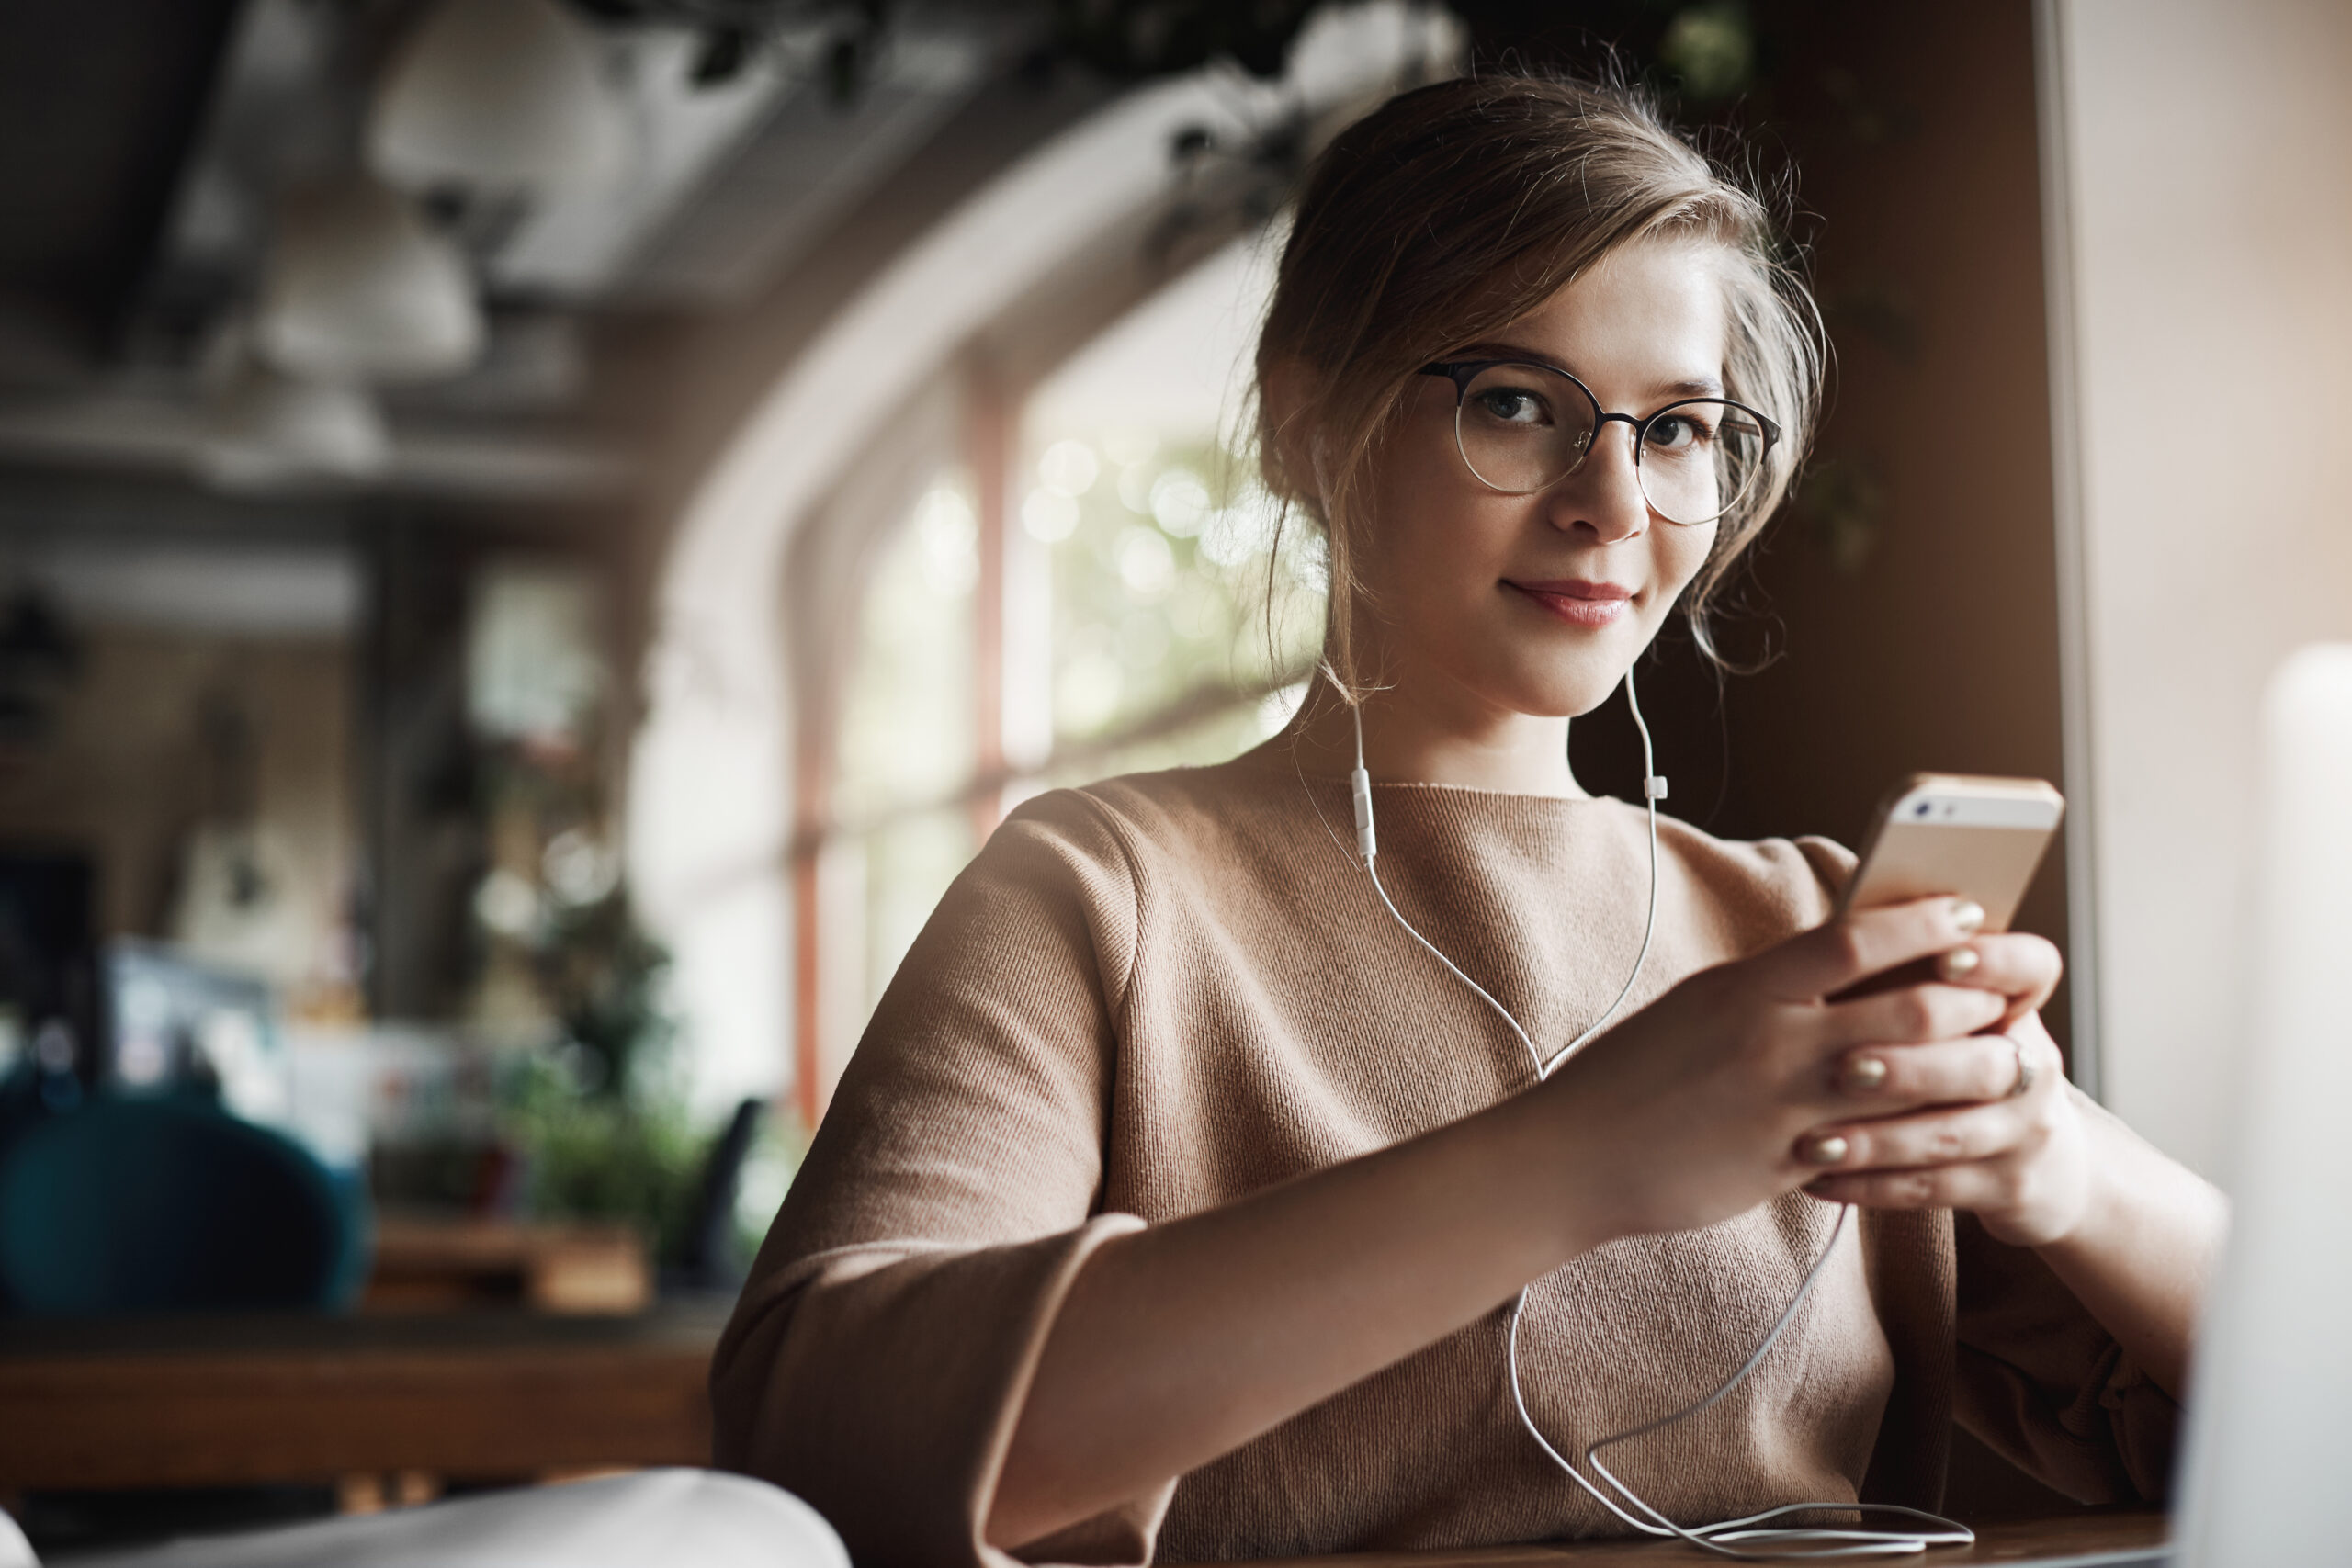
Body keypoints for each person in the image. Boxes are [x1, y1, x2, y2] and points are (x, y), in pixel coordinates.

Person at [711, 73, 2225, 1568]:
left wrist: (2062, 1163)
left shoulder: (1806, 931)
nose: (1612, 503)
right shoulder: (1104, 895)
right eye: (1517, 403)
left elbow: (2289, 1411)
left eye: (1679, 428)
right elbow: (817, 1433)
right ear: (1310, 429)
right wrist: (1573, 1161)